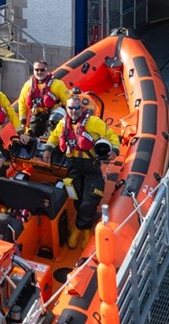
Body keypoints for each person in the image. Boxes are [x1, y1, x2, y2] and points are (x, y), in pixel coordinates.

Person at [42, 92, 120, 248]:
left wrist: (115, 151)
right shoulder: (63, 124)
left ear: (81, 108)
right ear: (66, 108)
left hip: (91, 167)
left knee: (89, 203)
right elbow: (54, 137)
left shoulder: (93, 122)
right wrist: (48, 149)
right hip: (73, 166)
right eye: (70, 108)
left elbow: (112, 136)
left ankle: (79, 228)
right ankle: (84, 227)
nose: (73, 111)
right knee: (77, 200)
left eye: (77, 108)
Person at [17, 60, 70, 139]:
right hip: (37, 114)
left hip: (53, 114)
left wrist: (68, 120)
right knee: (33, 132)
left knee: (53, 124)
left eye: (42, 70)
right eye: (37, 70)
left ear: (46, 70)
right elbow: (22, 104)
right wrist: (22, 122)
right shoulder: (28, 85)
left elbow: (68, 101)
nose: (39, 72)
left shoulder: (58, 84)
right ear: (33, 70)